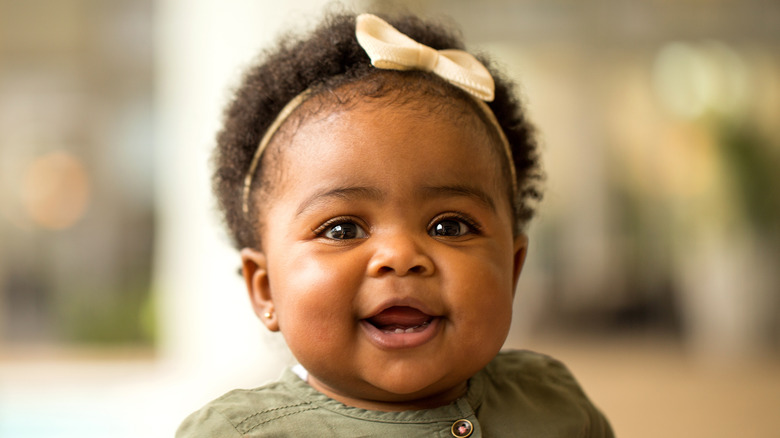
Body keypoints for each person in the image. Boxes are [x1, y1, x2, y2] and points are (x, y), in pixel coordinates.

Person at [177, 11, 613, 437]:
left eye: (450, 227)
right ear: (266, 287)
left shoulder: (552, 402)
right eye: (342, 230)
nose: (402, 256)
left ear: (512, 269)